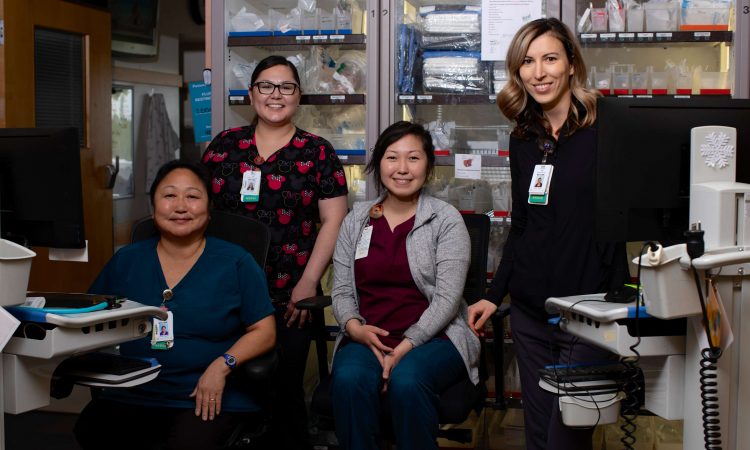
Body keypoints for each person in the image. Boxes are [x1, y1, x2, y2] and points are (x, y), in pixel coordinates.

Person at [466, 18, 628, 450]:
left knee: (567, 438)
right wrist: (492, 294)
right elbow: (522, 225)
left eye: (550, 58)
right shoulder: (524, 137)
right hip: (531, 312)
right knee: (538, 436)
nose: (539, 72)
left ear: (572, 64)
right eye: (527, 62)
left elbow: (630, 215)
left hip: (589, 314)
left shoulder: (608, 126)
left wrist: (621, 297)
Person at [74, 161, 276, 450]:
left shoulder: (235, 262)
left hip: (206, 395)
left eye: (193, 197)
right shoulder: (127, 260)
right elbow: (90, 317)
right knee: (92, 430)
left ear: (208, 211)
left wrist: (222, 366)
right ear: (154, 207)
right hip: (133, 390)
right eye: (169, 196)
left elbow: (264, 330)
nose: (181, 206)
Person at [201, 55, 349, 449]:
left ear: (299, 96)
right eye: (266, 85)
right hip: (224, 291)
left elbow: (333, 221)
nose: (275, 95)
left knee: (283, 393)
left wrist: (308, 281)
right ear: (251, 94)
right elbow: (200, 214)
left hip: (289, 295)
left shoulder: (318, 152)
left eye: (286, 86)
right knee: (223, 388)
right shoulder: (224, 147)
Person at [329, 121, 481, 450]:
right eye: (391, 157)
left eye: (413, 158)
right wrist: (355, 329)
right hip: (369, 336)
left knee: (408, 380)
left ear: (428, 166)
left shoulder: (446, 219)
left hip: (436, 338)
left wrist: (407, 345)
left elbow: (447, 299)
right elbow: (340, 289)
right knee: (348, 379)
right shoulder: (356, 219)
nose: (402, 168)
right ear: (378, 164)